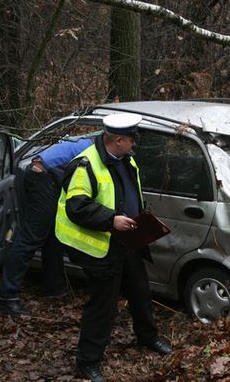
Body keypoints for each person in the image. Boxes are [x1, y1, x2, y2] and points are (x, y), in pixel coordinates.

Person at [55, 114, 172, 382]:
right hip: (101, 247)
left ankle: (148, 337)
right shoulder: (85, 165)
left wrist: (144, 221)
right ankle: (88, 361)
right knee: (103, 305)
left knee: (141, 291)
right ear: (118, 140)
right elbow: (77, 207)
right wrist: (111, 220)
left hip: (127, 242)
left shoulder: (126, 159)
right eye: (131, 140)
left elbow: (130, 195)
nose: (134, 145)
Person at [0, 137, 93, 316]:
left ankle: (55, 287)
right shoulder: (94, 152)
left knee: (54, 236)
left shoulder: (91, 144)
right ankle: (5, 297)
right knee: (29, 239)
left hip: (47, 178)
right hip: (42, 178)